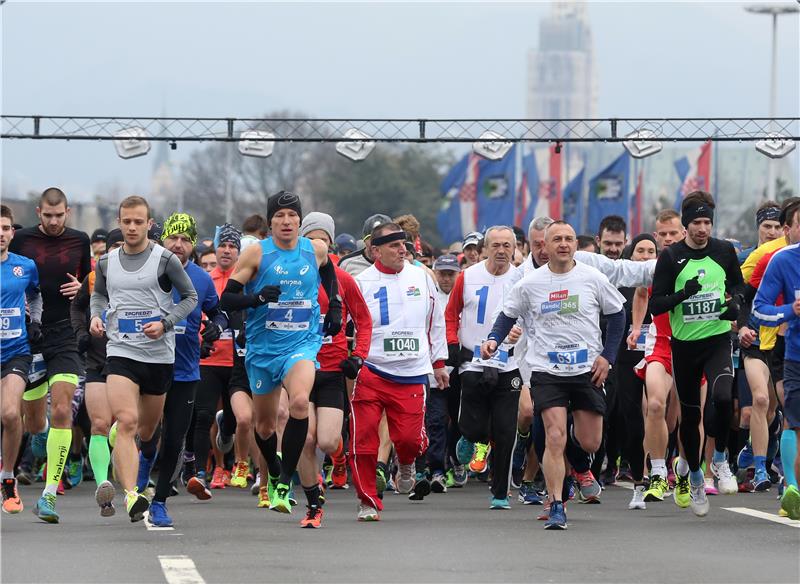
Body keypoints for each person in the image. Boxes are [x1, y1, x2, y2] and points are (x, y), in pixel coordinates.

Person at [482, 220, 625, 530]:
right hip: (547, 369)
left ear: (576, 244)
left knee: (590, 442)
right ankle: (557, 502)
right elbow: (507, 314)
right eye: (556, 239)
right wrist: (494, 339)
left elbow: (617, 314)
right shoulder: (530, 282)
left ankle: (573, 459)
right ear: (543, 246)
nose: (563, 243)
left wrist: (608, 357)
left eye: (569, 239)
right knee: (554, 436)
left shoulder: (592, 278)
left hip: (586, 369)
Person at [220, 191, 342, 514]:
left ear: (300, 222)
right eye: (279, 216)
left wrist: (335, 307)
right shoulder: (256, 255)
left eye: (292, 216)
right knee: (263, 427)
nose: (286, 222)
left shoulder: (313, 249)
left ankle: (285, 481)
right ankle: (273, 472)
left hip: (301, 343)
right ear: (271, 222)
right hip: (262, 350)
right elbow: (227, 299)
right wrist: (257, 299)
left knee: (300, 402)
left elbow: (328, 270)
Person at [90, 196, 198, 523]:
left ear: (149, 224)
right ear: (120, 223)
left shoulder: (165, 260)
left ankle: (146, 460)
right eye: (127, 222)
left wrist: (165, 323)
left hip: (158, 356)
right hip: (121, 351)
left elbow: (190, 298)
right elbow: (98, 295)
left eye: (139, 222)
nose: (132, 227)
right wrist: (96, 316)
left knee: (149, 432)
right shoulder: (107, 262)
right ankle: (131, 496)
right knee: (126, 421)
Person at [650, 191, 744, 517]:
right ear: (686, 224)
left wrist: (735, 305)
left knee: (721, 397)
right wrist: (681, 295)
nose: (702, 228)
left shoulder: (724, 251)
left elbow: (740, 287)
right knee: (690, 418)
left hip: (717, 339)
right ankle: (694, 476)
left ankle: (718, 460)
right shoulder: (671, 257)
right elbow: (655, 305)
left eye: (707, 222)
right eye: (696, 222)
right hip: (684, 347)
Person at [351, 222, 448, 521]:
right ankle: (368, 501)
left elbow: (436, 321)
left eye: (403, 244)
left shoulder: (421, 277)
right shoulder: (362, 281)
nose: (401, 249)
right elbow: (350, 325)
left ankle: (405, 462)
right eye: (393, 245)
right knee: (363, 440)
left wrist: (439, 362)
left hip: (411, 373)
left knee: (407, 441)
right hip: (372, 370)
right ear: (375, 250)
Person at [137, 212, 227, 527]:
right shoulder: (146, 272)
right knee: (149, 434)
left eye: (185, 239)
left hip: (186, 370)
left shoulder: (201, 279)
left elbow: (219, 313)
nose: (178, 244)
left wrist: (216, 327)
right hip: (148, 366)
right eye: (173, 238)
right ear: (162, 240)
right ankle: (139, 482)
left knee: (175, 438)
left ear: (192, 245)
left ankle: (159, 502)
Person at [9, 187, 91, 524]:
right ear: (38, 212)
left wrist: (82, 288)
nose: (54, 221)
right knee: (33, 420)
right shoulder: (21, 240)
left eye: (59, 216)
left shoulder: (80, 239)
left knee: (62, 408)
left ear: (67, 212)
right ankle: (40, 437)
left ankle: (48, 494)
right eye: (48, 216)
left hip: (65, 333)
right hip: (30, 335)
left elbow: (90, 280)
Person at [297, 212, 372, 527]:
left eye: (324, 241)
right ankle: (314, 502)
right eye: (312, 240)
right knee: (307, 437)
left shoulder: (343, 279)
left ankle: (338, 457)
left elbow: (365, 320)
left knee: (327, 441)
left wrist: (358, 356)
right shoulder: (290, 276)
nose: (318, 247)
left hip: (332, 368)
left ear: (331, 245)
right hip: (298, 367)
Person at [446, 226, 523, 509]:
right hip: (473, 361)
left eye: (507, 245)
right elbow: (451, 313)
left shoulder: (521, 278)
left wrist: (520, 332)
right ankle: (471, 437)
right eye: (496, 245)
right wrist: (453, 344)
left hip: (508, 363)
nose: (501, 251)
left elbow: (531, 316)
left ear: (514, 248)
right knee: (474, 424)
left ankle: (500, 492)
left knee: (505, 429)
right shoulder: (468, 276)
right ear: (485, 249)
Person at [188, 223, 249, 500]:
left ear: (239, 252)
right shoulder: (203, 279)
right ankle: (204, 470)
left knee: (234, 419)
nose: (226, 250)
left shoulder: (245, 280)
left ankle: (231, 444)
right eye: (222, 245)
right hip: (209, 358)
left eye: (232, 246)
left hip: (237, 360)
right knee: (202, 416)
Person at [750, 200, 800, 519]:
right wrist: (789, 312)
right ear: (789, 229)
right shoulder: (781, 260)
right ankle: (792, 488)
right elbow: (758, 309)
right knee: (794, 420)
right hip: (795, 355)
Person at [70, 227, 124, 517]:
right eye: (110, 248)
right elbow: (77, 308)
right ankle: (104, 485)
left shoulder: (144, 277)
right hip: (97, 360)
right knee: (99, 425)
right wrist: (81, 332)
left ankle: (133, 485)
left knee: (128, 424)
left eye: (120, 246)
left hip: (131, 359)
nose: (114, 252)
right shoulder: (93, 278)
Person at [0, 204, 42, 515]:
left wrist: (36, 320)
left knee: (11, 414)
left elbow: (36, 294)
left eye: (5, 228)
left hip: (16, 350)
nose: (0, 235)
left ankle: (8, 477)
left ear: (12, 232)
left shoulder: (24, 266)